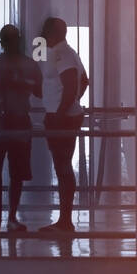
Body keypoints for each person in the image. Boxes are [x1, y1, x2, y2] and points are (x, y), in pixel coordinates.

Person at [0, 24, 43, 232]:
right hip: (3, 120)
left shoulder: (5, 64)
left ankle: (5, 218)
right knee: (0, 171)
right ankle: (0, 218)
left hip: (11, 120)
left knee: (13, 171)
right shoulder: (17, 64)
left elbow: (40, 90)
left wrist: (22, 83)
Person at [35, 17, 89, 234]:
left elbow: (71, 84)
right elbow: (84, 80)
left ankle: (65, 221)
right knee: (62, 166)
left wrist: (59, 112)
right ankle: (64, 220)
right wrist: (72, 102)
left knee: (63, 166)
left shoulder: (61, 54)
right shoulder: (68, 53)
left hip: (62, 118)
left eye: (45, 31)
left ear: (52, 32)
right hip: (65, 115)